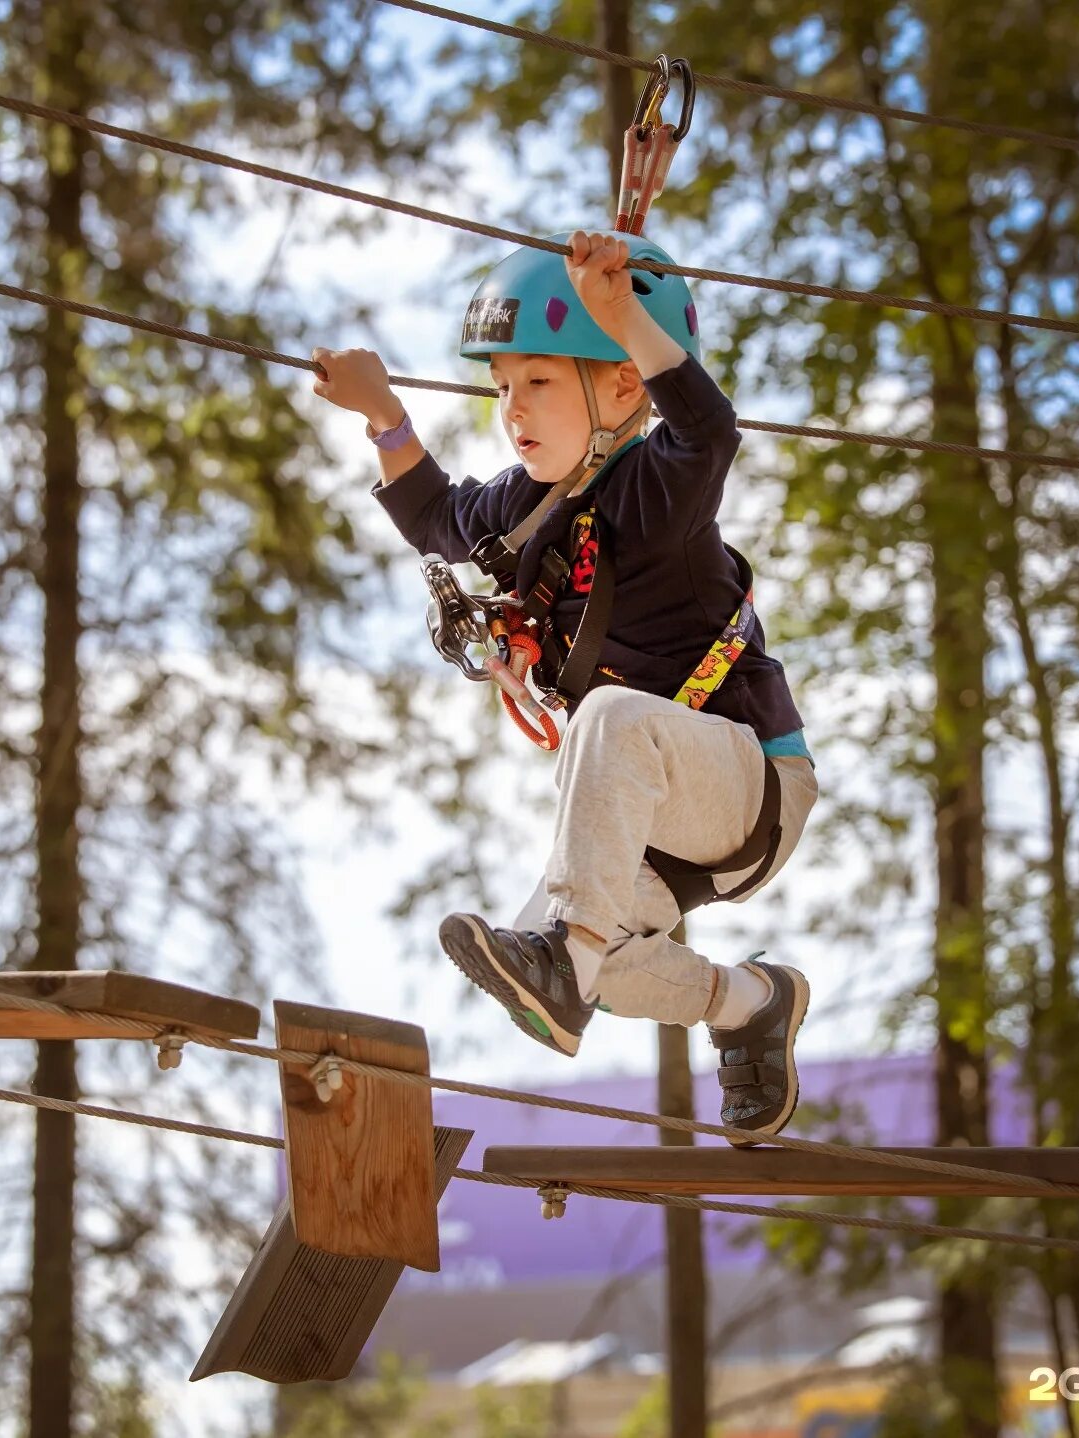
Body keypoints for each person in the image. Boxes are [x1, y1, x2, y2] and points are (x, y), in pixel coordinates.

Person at [311, 230, 818, 1144]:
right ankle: (749, 1001)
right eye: (503, 388)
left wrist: (624, 316)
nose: (512, 409)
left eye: (537, 382)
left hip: (748, 788)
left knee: (614, 729)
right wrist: (383, 415)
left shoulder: (657, 493)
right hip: (655, 820)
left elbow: (708, 431)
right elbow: (433, 514)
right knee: (582, 966)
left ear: (623, 387)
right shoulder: (524, 508)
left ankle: (568, 958)